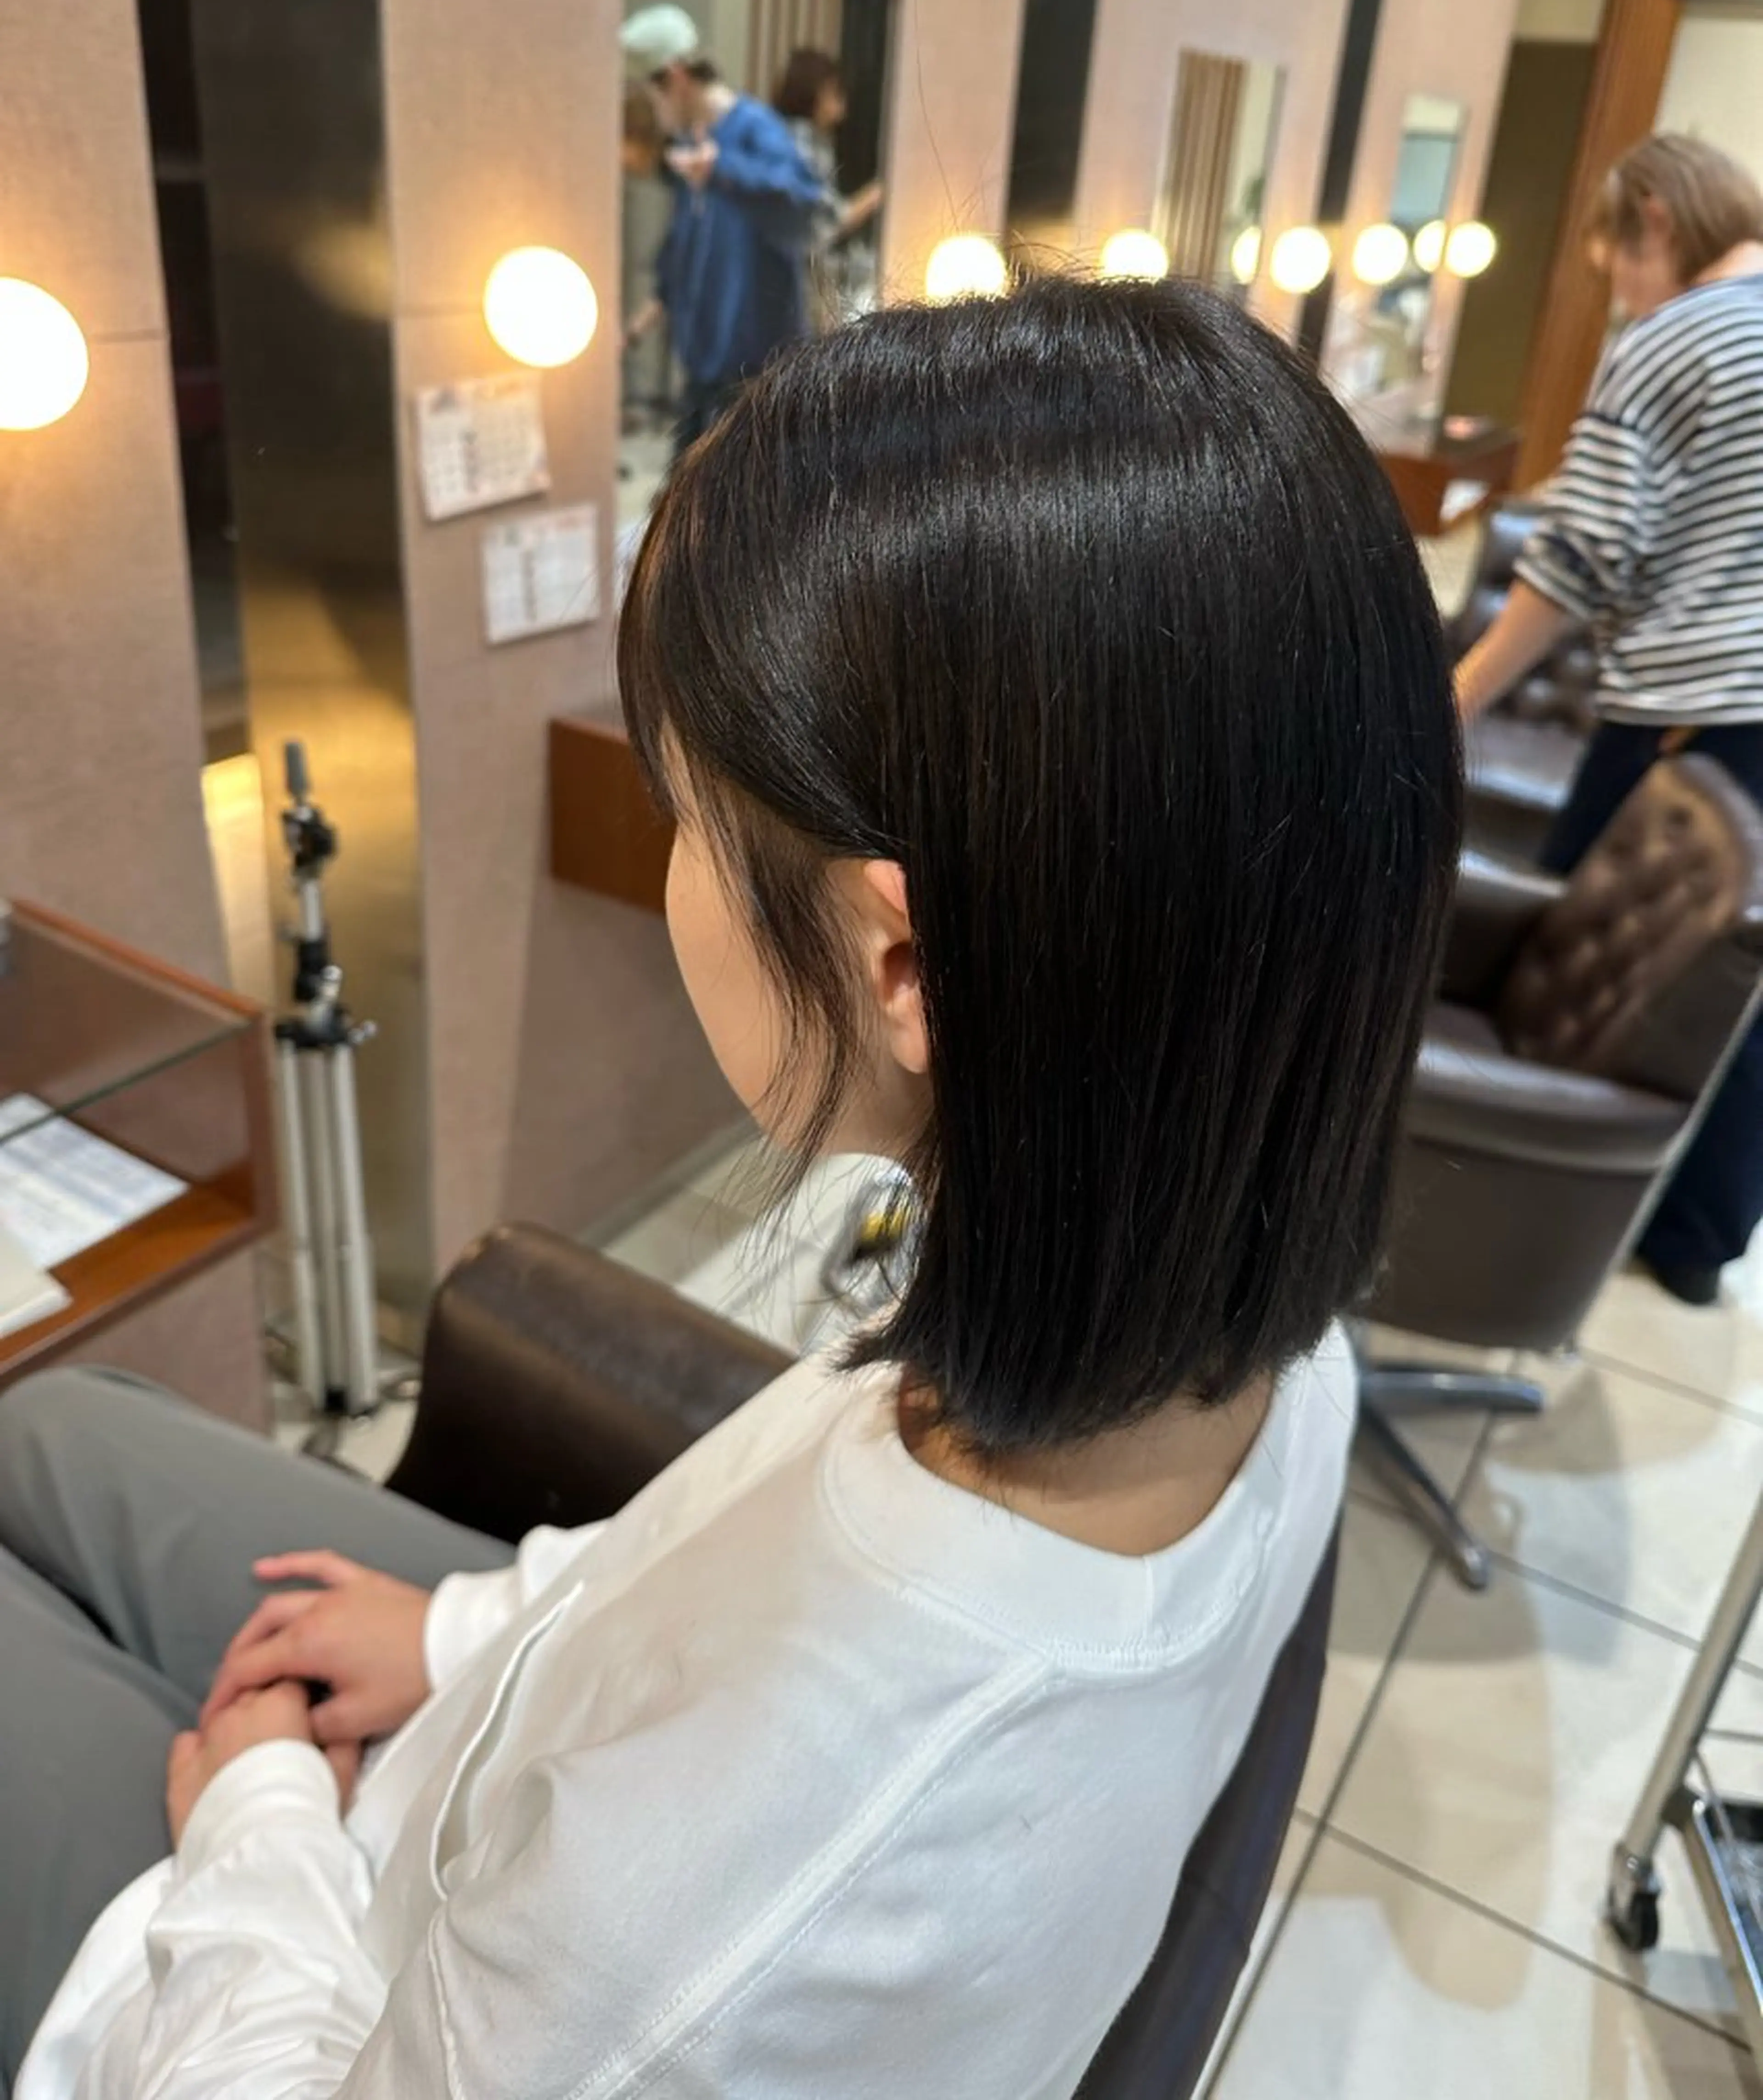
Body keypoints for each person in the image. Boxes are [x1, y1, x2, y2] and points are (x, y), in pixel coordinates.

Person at [0, 275, 1461, 2100]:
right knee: (48, 1430)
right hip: (507, 1728)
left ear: (898, 961)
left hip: (285, 1993)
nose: (679, 857)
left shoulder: (702, 1915)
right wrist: (462, 1630)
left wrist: (257, 1822)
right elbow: (711, 1564)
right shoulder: (1239, 1332)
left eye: (688, 809)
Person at [1457, 133, 1763, 1307]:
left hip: (1689, 714)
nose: (1620, 293)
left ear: (1649, 215)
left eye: (1613, 266)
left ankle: (1512, 1208)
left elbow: (1577, 555)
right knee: (1728, 974)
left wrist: (1458, 696)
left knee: (1585, 970)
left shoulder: (1677, 335)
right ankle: (1693, 1238)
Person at [619, 2, 824, 455]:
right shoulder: (695, 145)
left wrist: (726, 171)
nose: (654, 112)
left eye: (653, 98)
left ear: (674, 77)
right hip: (706, 383)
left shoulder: (753, 130)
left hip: (761, 384)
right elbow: (683, 260)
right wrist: (632, 330)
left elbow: (804, 206)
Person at [772, 45, 884, 328]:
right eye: (835, 91)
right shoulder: (802, 145)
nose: (842, 101)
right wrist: (878, 195)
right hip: (797, 279)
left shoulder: (803, 139)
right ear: (818, 93)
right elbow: (828, 223)